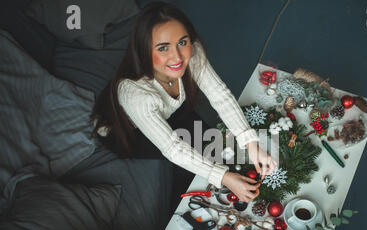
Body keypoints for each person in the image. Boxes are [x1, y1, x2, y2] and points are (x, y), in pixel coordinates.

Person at [91, 1, 277, 204]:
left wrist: (251, 143)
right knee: (189, 172)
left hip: (169, 111)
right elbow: (173, 148)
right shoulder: (136, 94)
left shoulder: (192, 54)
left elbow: (220, 96)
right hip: (126, 130)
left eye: (182, 42)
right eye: (163, 48)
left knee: (212, 145)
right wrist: (222, 177)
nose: (177, 57)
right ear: (144, 50)